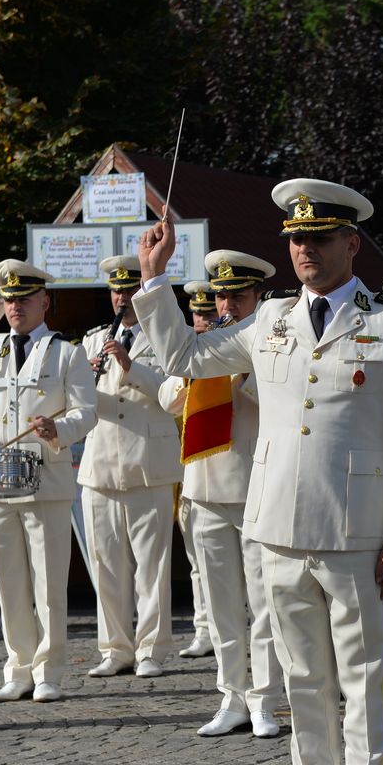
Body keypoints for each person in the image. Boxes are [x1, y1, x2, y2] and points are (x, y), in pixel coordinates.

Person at [131, 180, 383, 765]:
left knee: (362, 684)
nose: (304, 249)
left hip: (359, 531)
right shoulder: (268, 320)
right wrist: (155, 281)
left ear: (349, 244)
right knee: (302, 682)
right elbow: (186, 359)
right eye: (295, 239)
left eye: (318, 238)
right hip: (276, 526)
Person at [0, 260, 97, 705]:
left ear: (44, 302)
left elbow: (87, 411)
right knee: (8, 581)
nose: (15, 307)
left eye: (23, 299)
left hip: (45, 476)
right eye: (8, 300)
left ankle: (48, 672)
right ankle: (17, 668)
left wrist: (57, 430)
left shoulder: (67, 353)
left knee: (47, 583)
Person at [186, 248, 285, 739]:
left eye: (237, 296)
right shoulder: (204, 346)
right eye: (221, 295)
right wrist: (198, 368)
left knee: (263, 602)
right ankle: (232, 694)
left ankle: (266, 697)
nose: (227, 306)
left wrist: (241, 377)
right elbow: (167, 399)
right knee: (222, 603)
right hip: (204, 484)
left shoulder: (272, 342)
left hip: (254, 486)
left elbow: (284, 404)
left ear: (257, 298)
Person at [79, 254, 183, 682]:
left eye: (129, 290)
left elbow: (172, 395)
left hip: (149, 465)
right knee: (106, 565)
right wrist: (82, 381)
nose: (122, 297)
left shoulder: (164, 338)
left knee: (151, 567)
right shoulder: (90, 340)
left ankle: (152, 651)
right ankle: (115, 648)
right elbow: (75, 403)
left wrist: (129, 365)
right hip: (100, 466)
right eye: (117, 291)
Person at [176, 280, 217, 660]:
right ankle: (203, 626)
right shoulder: (188, 354)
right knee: (197, 562)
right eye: (198, 314)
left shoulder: (230, 348)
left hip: (233, 476)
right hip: (192, 474)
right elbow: (168, 399)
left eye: (209, 312)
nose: (202, 320)